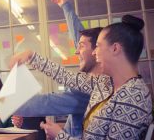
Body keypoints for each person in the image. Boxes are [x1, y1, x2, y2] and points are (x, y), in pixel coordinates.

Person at [0, 0, 101, 138]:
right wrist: (66, 7)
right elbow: (81, 38)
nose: (76, 50)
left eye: (81, 46)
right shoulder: (90, 81)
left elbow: (43, 103)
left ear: (98, 50)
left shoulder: (91, 89)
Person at [10, 14, 152, 139]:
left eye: (97, 46)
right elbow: (65, 76)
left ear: (115, 48)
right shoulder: (105, 83)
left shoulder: (132, 96)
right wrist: (30, 55)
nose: (94, 52)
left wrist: (60, 136)